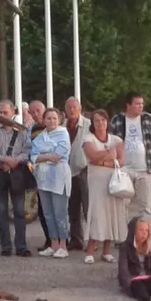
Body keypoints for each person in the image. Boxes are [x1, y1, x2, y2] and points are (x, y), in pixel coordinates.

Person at [0, 100, 32, 258]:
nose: (2, 115)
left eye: (5, 112)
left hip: (16, 172)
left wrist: (14, 161)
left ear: (13, 112)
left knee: (19, 210)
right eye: (0, 112)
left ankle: (21, 246)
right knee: (0, 210)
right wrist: (5, 160)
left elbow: (27, 150)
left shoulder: (21, 131)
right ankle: (6, 245)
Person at [82, 109, 127, 264]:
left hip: (113, 181)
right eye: (97, 121)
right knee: (97, 213)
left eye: (103, 120)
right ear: (92, 123)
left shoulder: (116, 139)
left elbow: (121, 160)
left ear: (107, 122)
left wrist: (103, 161)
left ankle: (106, 251)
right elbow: (92, 156)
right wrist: (108, 152)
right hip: (96, 182)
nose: (100, 123)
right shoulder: (88, 138)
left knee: (111, 212)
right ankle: (90, 250)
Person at [109, 93, 151, 222]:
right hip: (124, 169)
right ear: (128, 105)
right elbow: (110, 141)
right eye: (137, 104)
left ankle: (145, 240)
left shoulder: (148, 118)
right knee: (122, 206)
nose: (140, 106)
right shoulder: (117, 120)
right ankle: (122, 240)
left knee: (145, 208)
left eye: (142, 104)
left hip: (145, 168)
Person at [30, 107, 71, 259]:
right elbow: (33, 156)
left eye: (54, 118)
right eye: (48, 118)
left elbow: (59, 154)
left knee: (60, 212)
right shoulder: (40, 136)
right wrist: (47, 155)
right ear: (44, 120)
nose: (52, 121)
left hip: (59, 177)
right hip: (43, 178)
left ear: (59, 119)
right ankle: (53, 243)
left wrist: (43, 155)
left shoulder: (63, 134)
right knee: (48, 212)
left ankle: (63, 244)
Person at [118, 214, 151, 301]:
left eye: (146, 231)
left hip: (148, 276)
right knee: (141, 289)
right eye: (141, 230)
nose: (144, 233)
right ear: (133, 231)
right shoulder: (125, 246)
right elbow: (123, 269)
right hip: (134, 278)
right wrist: (128, 285)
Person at [63, 97, 89, 249]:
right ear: (65, 110)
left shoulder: (88, 124)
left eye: (74, 107)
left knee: (88, 208)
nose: (72, 110)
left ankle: (93, 240)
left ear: (80, 108)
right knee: (72, 209)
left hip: (85, 170)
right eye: (69, 107)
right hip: (68, 172)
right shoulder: (62, 126)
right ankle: (76, 239)